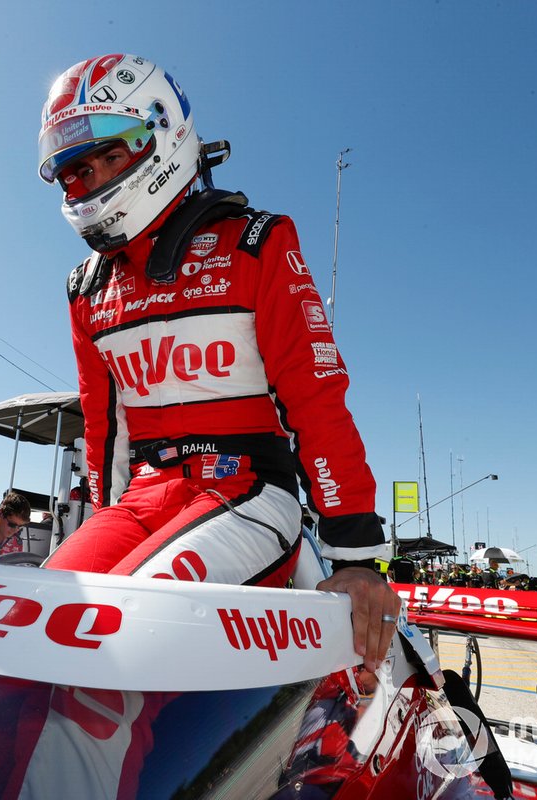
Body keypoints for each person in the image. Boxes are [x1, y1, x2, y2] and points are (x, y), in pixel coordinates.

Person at [36, 53, 400, 674]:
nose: (92, 181)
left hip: (250, 489)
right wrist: (107, 522)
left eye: (109, 156)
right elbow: (104, 428)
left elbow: (315, 399)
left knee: (107, 649)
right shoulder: (86, 287)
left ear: (163, 132)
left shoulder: (256, 241)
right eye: (74, 171)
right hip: (145, 498)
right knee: (29, 622)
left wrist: (358, 559)